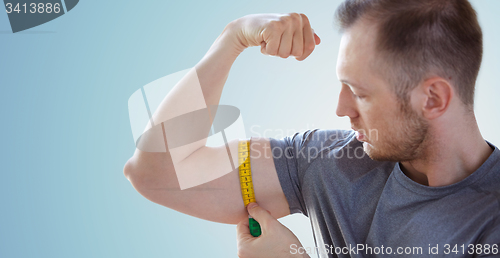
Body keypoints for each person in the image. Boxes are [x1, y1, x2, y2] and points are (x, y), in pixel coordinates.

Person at [123, 0, 500, 257]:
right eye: (342, 86)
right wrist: (234, 37)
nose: (341, 109)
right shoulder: (329, 161)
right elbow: (155, 173)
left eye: (359, 93)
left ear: (433, 98)